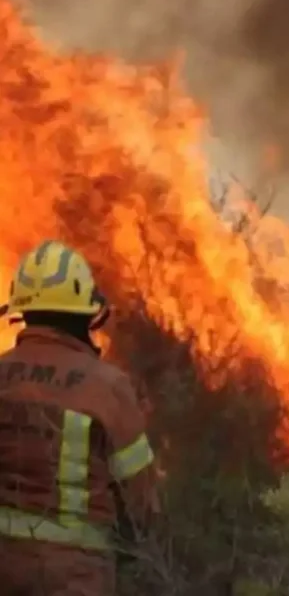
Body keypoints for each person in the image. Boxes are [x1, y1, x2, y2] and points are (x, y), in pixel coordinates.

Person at [0, 240, 158, 595]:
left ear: (22, 311)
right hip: (75, 577)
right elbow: (140, 497)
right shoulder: (107, 387)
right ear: (87, 314)